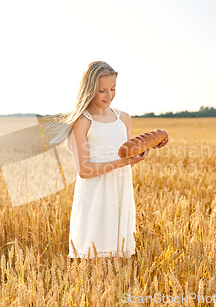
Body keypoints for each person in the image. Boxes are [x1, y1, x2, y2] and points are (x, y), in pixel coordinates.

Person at [59, 61, 168, 259]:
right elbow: (84, 170)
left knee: (118, 261)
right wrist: (124, 163)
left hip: (119, 191)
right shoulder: (81, 121)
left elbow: (126, 152)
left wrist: (151, 144)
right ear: (89, 89)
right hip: (95, 195)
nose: (109, 96)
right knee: (94, 262)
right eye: (102, 90)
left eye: (113, 89)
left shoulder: (123, 118)